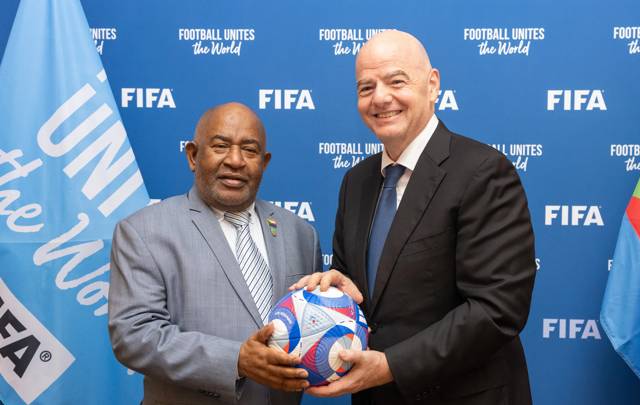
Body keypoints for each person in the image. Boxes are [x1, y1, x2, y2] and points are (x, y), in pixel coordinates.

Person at [294, 30, 536, 404]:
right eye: (365, 87)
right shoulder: (355, 182)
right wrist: (342, 293)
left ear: (432, 84)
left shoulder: (483, 171)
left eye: (396, 81)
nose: (380, 98)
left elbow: (497, 309)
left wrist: (391, 365)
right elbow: (368, 298)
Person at [108, 102, 321, 405]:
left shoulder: (301, 234)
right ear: (193, 155)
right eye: (221, 146)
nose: (235, 160)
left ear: (264, 161)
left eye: (250, 150)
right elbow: (134, 335)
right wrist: (236, 359)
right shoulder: (143, 231)